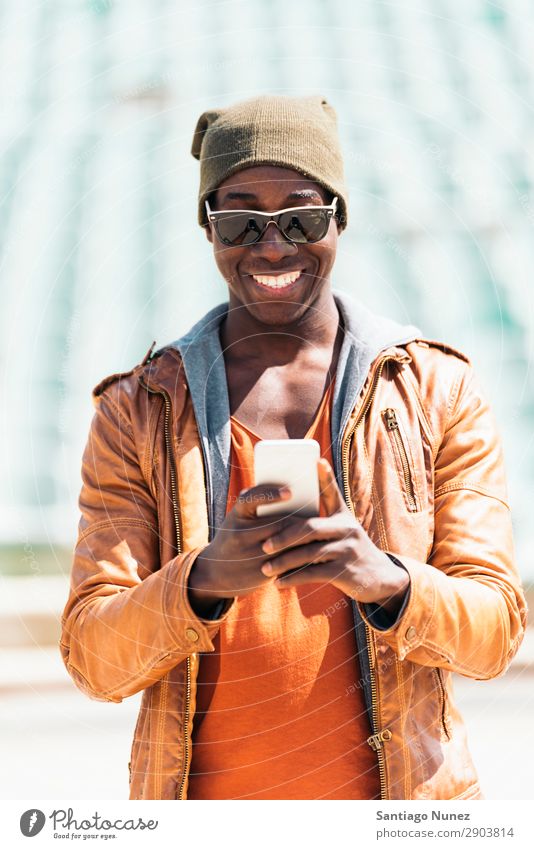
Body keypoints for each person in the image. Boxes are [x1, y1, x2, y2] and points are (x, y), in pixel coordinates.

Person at [60, 94, 527, 801]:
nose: (273, 246)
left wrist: (387, 580)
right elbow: (94, 657)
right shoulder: (138, 409)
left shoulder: (438, 388)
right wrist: (202, 580)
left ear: (339, 218)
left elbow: (494, 631)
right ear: (207, 228)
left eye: (301, 217)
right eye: (242, 219)